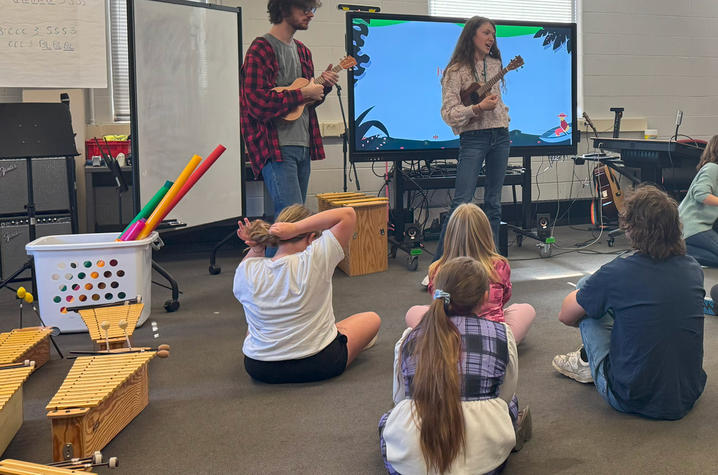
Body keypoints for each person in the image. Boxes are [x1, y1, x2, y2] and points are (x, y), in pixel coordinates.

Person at [553, 185, 706, 420]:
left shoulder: (616, 272)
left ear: (631, 228)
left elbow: (565, 315)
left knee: (586, 287)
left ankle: (587, 361)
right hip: (687, 392)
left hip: (629, 397)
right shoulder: (693, 268)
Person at [379, 257, 530, 475]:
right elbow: (504, 396)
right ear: (485, 296)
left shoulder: (409, 338)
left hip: (411, 467)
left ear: (437, 293)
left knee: (388, 420)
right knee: (510, 405)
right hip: (482, 465)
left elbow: (400, 398)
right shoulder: (502, 335)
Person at [233, 204, 381, 384]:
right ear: (312, 237)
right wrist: (296, 228)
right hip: (320, 363)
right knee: (372, 319)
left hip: (260, 367)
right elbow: (348, 214)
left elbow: (252, 262)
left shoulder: (246, 270)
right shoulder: (315, 258)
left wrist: (257, 248)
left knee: (254, 319)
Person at [240, 0, 339, 218]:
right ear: (284, 8)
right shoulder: (261, 49)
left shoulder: (303, 52)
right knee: (290, 220)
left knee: (291, 219)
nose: (310, 14)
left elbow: (305, 104)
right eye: (305, 9)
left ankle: (276, 253)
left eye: (312, 9)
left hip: (303, 144)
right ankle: (274, 253)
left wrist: (322, 88)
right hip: (275, 147)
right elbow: (256, 103)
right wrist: (303, 93)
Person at [435, 16, 511, 261]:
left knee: (494, 203)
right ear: (471, 35)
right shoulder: (455, 71)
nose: (491, 38)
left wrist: (499, 111)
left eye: (494, 34)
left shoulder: (496, 63)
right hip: (473, 139)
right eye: (486, 33)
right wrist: (477, 109)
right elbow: (449, 113)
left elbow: (495, 104)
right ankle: (439, 264)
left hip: (500, 134)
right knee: (461, 202)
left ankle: (494, 264)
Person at [406, 203, 535, 343]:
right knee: (525, 309)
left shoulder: (437, 269)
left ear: (449, 235)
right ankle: (505, 342)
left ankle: (439, 339)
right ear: (486, 234)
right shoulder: (499, 265)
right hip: (492, 335)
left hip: (449, 334)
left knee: (414, 312)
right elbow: (505, 297)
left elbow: (439, 301)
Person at [678, 135, 718, 266]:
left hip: (702, 226)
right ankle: (675, 249)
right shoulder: (712, 168)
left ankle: (681, 250)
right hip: (693, 226)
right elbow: (701, 194)